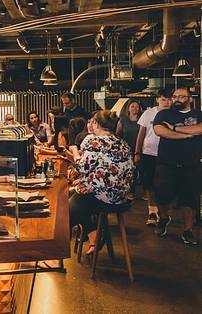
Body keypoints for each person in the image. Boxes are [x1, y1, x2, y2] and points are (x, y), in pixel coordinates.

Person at [70, 110, 134, 254]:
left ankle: (52, 254)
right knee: (74, 197)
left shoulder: (96, 142)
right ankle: (96, 235)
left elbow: (82, 168)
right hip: (121, 198)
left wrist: (74, 152)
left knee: (63, 213)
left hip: (102, 198)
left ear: (97, 124)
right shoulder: (122, 142)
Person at [152, 87, 202, 245]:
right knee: (162, 194)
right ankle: (164, 218)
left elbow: (200, 129)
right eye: (175, 96)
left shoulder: (198, 114)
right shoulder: (164, 113)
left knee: (189, 199)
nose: (177, 99)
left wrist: (174, 128)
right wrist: (187, 135)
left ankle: (188, 230)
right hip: (166, 163)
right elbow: (159, 130)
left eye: (182, 96)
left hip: (191, 164)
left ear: (190, 99)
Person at [135, 88, 172, 226]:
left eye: (169, 99)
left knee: (164, 184)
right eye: (163, 99)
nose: (166, 102)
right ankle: (152, 211)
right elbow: (141, 134)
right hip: (149, 153)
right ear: (157, 99)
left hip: (167, 154)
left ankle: (164, 214)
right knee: (149, 183)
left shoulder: (174, 114)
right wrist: (137, 152)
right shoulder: (148, 113)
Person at [117, 100, 142, 199]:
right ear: (128, 108)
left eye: (137, 107)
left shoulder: (142, 119)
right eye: (132, 106)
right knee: (130, 171)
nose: (135, 109)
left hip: (140, 148)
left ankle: (146, 192)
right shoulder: (123, 120)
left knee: (143, 170)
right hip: (127, 149)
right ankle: (131, 191)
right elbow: (118, 134)